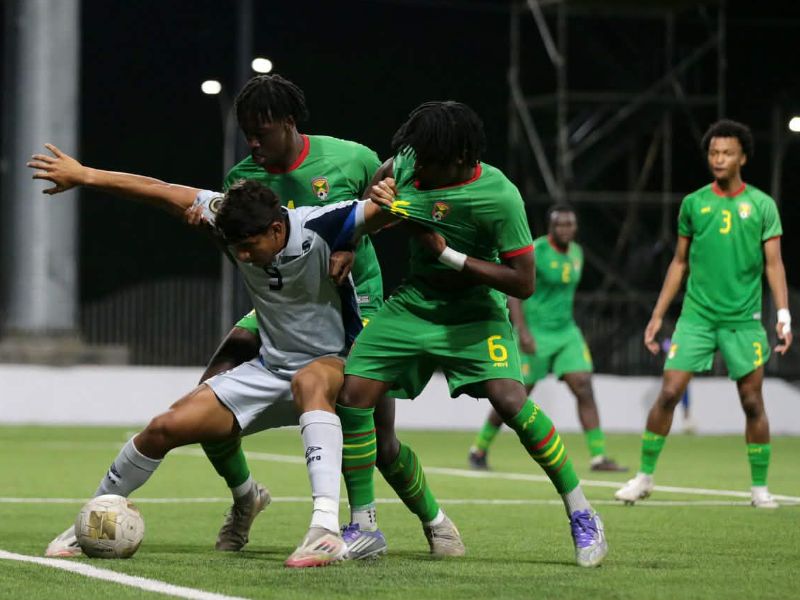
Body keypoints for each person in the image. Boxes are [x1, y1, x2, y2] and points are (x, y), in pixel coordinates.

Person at [28, 144, 394, 567]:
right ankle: (91, 519)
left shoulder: (324, 222)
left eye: (249, 245)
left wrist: (391, 198)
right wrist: (86, 175)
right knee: (164, 427)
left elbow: (385, 211)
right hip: (269, 369)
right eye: (235, 245)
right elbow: (159, 190)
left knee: (310, 381)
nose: (241, 255)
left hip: (332, 362)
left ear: (278, 229)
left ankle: (324, 530)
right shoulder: (225, 214)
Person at [193, 74, 461, 559]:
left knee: (379, 442)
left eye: (263, 131)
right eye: (246, 131)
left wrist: (349, 239)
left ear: (290, 123)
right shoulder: (241, 179)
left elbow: (388, 206)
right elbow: (242, 243)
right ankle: (245, 498)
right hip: (281, 309)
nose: (253, 142)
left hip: (359, 306)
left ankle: (435, 522)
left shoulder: (349, 157)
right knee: (208, 400)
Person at [335, 101, 608, 567]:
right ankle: (364, 524)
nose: (414, 167)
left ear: (459, 157)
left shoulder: (499, 196)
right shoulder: (411, 162)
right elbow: (376, 185)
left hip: (477, 313)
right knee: (353, 391)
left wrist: (449, 256)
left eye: (426, 160)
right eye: (413, 157)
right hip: (414, 304)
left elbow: (524, 281)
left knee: (511, 403)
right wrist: (375, 194)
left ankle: (583, 514)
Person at [615, 119, 792, 509]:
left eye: (727, 153)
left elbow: (774, 265)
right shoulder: (694, 203)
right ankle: (643, 477)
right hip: (696, 318)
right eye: (714, 153)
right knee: (668, 393)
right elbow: (679, 263)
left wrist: (783, 314)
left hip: (742, 320)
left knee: (752, 402)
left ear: (742, 157)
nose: (719, 159)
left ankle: (760, 488)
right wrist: (658, 314)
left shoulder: (762, 205)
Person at [468, 205, 626, 472]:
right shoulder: (537, 251)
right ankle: (479, 449)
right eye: (560, 225)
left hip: (566, 333)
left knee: (584, 386)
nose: (566, 229)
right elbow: (515, 291)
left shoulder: (577, 253)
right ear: (550, 227)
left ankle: (599, 457)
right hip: (535, 333)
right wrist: (523, 330)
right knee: (514, 399)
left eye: (570, 225)